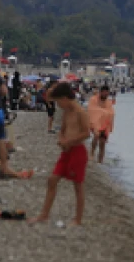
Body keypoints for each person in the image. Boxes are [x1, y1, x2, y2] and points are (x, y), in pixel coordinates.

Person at [30, 83, 90, 226]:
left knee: (78, 185)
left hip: (78, 151)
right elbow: (62, 129)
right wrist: (61, 139)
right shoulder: (66, 112)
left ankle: (78, 219)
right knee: (52, 180)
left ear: (64, 98)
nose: (58, 105)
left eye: (58, 102)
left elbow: (86, 133)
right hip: (66, 151)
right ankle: (44, 215)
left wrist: (70, 141)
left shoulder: (80, 112)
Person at [87, 85, 116, 163]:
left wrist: (105, 114)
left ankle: (100, 161)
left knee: (102, 143)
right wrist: (103, 112)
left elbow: (111, 113)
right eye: (104, 93)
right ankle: (92, 153)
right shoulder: (93, 99)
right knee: (96, 135)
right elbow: (91, 110)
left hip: (105, 125)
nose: (106, 95)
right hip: (95, 123)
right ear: (101, 92)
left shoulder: (108, 102)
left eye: (107, 93)